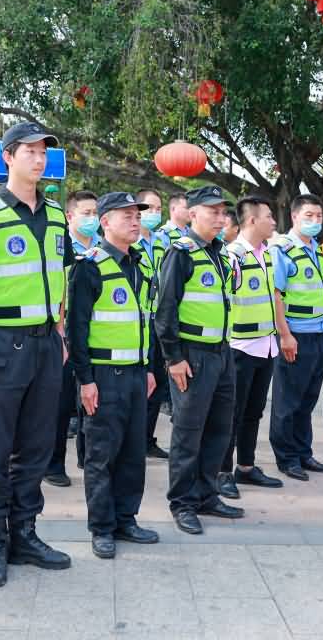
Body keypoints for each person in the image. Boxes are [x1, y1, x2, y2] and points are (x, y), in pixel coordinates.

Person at [0, 121, 74, 589]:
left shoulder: (56, 215)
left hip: (46, 342)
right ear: (7, 157)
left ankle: (25, 533)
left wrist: (61, 331)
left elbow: (60, 276)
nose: (39, 158)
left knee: (38, 444)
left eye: (43, 151)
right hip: (2, 342)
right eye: (28, 151)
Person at [68, 192, 160, 559]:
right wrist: (85, 380)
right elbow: (77, 329)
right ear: (105, 222)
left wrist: (150, 367)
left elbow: (146, 321)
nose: (135, 221)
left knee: (133, 453)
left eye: (137, 215)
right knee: (101, 455)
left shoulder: (140, 264)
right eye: (126, 216)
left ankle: (126, 518)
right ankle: (102, 527)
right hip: (103, 376)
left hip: (137, 375)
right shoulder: (90, 266)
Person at [154, 185, 243, 535]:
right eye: (212, 211)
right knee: (188, 433)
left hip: (222, 353)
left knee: (219, 429)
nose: (220, 218)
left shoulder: (219, 254)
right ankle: (183, 501)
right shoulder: (182, 253)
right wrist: (173, 357)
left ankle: (206, 493)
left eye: (223, 212)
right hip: (192, 355)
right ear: (192, 213)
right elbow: (165, 311)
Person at [217, 195, 285, 496]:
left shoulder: (267, 253)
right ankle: (222, 472)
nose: (274, 221)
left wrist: (283, 334)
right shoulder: (233, 256)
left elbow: (274, 296)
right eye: (269, 216)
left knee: (254, 411)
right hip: (240, 347)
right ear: (252, 220)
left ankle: (246, 466)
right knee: (231, 412)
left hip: (266, 345)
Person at [268, 194, 323, 481]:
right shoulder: (282, 249)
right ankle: (287, 457)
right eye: (309, 216)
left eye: (319, 216)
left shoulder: (316, 250)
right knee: (288, 400)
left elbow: (321, 292)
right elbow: (276, 295)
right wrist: (285, 335)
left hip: (318, 333)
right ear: (294, 217)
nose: (315, 221)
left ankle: (303, 452)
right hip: (295, 335)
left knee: (308, 399)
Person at [47, 190, 98, 487]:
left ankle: (86, 455)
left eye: (95, 213)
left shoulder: (102, 248)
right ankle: (53, 463)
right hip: (64, 335)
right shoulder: (61, 247)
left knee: (90, 400)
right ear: (70, 216)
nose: (91, 219)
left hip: (94, 336)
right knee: (61, 402)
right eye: (86, 213)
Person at [135, 188, 171, 459]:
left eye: (159, 208)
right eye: (149, 208)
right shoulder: (127, 242)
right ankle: (134, 440)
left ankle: (147, 438)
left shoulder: (163, 242)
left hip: (160, 322)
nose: (154, 213)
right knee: (139, 386)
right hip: (136, 324)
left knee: (157, 384)